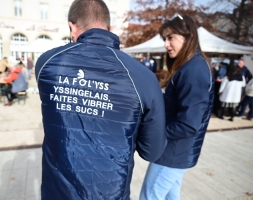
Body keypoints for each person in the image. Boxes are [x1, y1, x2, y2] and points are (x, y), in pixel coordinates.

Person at [35, 0, 167, 199]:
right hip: (110, 193)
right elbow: (152, 151)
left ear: (72, 27)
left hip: (58, 193)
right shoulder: (142, 77)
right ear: (110, 28)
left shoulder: (47, 63)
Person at [140, 14, 214, 200]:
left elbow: (188, 124)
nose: (166, 44)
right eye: (164, 39)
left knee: (149, 196)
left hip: (172, 152)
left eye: (170, 37)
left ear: (188, 35)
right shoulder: (190, 66)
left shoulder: (194, 69)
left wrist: (154, 134)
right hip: (177, 152)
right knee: (171, 197)